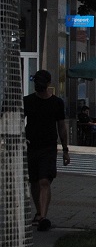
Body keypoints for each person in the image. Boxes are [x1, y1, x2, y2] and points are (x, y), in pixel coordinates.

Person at [24, 69, 70, 231]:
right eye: (37, 83)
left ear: (48, 84)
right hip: (31, 146)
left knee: (44, 180)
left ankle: (43, 216)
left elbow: (61, 127)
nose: (39, 86)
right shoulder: (27, 101)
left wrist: (65, 149)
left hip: (48, 147)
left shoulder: (56, 103)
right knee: (34, 181)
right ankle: (38, 212)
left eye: (41, 83)